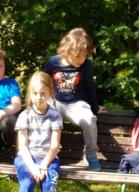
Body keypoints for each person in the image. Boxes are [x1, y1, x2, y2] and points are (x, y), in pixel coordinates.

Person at [43, 27, 102, 171]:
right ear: (67, 50)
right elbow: (44, 83)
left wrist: (94, 107)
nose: (81, 60)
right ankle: (44, 152)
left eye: (84, 56)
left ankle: (91, 154)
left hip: (77, 104)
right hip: (56, 102)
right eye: (77, 56)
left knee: (89, 120)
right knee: (44, 116)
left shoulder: (86, 65)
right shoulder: (53, 62)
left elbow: (90, 87)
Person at [14, 72, 63, 192]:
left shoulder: (55, 116)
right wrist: (33, 167)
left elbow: (55, 146)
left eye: (43, 93)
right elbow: (22, 146)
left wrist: (42, 166)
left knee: (50, 183)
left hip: (48, 159)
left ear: (50, 93)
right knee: (27, 182)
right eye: (35, 93)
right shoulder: (24, 116)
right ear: (30, 94)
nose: (39, 97)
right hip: (27, 158)